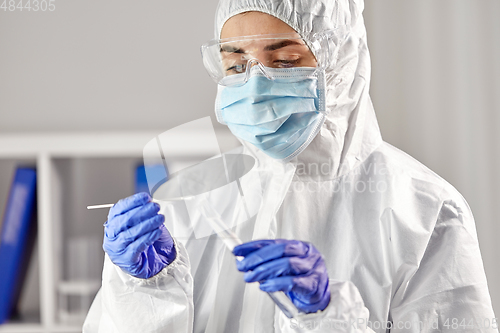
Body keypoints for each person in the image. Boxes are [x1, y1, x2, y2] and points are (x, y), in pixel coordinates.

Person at [83, 0, 498, 332]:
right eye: (235, 64)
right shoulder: (192, 199)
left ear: (340, 64)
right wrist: (144, 292)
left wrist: (328, 319)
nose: (255, 85)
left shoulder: (428, 212)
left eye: (283, 62)